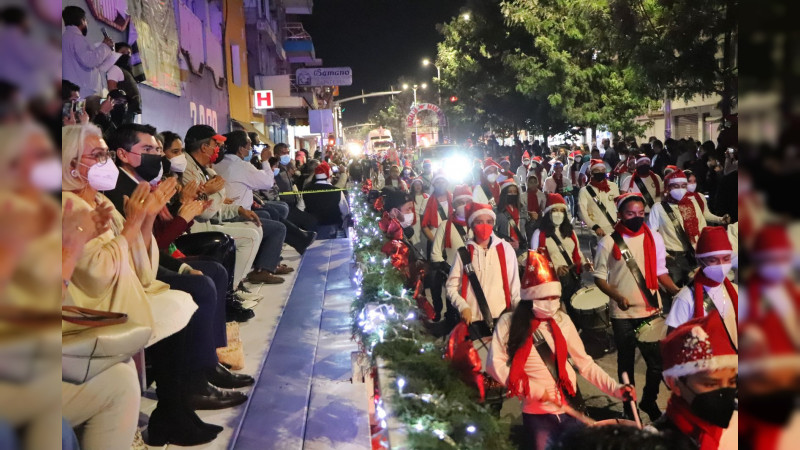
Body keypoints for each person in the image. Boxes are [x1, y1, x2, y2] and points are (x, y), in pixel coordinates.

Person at [61, 124, 225, 445]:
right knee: (187, 297)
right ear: (70, 166)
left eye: (107, 154)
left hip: (122, 293)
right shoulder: (68, 206)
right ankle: (178, 404)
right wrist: (136, 223)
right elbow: (98, 274)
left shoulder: (100, 204)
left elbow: (143, 268)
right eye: (98, 156)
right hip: (94, 308)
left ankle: (180, 401)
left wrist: (145, 218)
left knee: (184, 300)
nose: (106, 163)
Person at [487, 251, 634, 450]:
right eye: (546, 297)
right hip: (538, 416)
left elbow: (585, 364)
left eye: (555, 297)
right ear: (531, 297)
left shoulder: (562, 321)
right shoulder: (509, 322)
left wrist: (615, 389)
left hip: (572, 407)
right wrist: (528, 388)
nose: (552, 303)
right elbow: (494, 364)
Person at [593, 193, 680, 421]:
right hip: (622, 314)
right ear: (620, 214)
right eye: (631, 214)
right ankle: (628, 407)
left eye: (641, 214)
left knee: (656, 363)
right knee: (626, 362)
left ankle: (648, 400)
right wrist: (617, 296)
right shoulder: (608, 242)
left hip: (650, 310)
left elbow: (661, 271)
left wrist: (675, 291)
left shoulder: (654, 238)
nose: (637, 218)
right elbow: (599, 278)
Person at [183, 125, 289, 285]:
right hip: (201, 228)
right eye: (215, 145)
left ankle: (239, 282)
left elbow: (214, 202)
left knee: (264, 219)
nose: (218, 149)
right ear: (204, 147)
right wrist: (215, 192)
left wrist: (235, 207)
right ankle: (232, 288)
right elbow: (205, 211)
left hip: (218, 217)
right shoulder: (189, 169)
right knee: (255, 234)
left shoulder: (207, 169)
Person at [214, 130, 315, 253]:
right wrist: (265, 161)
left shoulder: (219, 163)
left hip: (237, 209)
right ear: (241, 149)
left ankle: (298, 241)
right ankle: (266, 265)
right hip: (236, 213)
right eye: (249, 145)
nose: (251, 148)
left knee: (272, 212)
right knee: (277, 226)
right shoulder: (241, 166)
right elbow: (267, 183)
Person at [651, 313, 738, 450]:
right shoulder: (656, 442)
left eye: (732, 382)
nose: (725, 392)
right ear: (675, 384)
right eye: (711, 384)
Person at [446, 202, 521, 327]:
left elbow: (515, 288)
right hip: (473, 322)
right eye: (479, 222)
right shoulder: (463, 253)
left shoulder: (506, 249)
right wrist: (462, 306)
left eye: (489, 221)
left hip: (502, 320)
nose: (485, 226)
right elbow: (451, 287)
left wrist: (519, 313)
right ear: (472, 225)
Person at [666, 227, 737, 347]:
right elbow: (672, 344)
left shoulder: (735, 290)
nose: (721, 266)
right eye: (713, 260)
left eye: (726, 259)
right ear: (700, 261)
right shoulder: (685, 298)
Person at [648, 169, 716, 288]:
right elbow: (651, 235)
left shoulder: (693, 203)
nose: (680, 189)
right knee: (675, 293)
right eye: (676, 186)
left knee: (695, 293)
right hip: (672, 259)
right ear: (668, 187)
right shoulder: (658, 208)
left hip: (694, 256)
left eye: (684, 186)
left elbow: (703, 228)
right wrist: (664, 255)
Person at [531, 194, 591, 312]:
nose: (558, 214)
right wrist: (555, 269)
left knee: (574, 313)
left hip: (572, 279)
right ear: (548, 212)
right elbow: (535, 262)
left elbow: (577, 252)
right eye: (554, 210)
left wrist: (584, 264)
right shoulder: (539, 234)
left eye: (561, 211)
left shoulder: (571, 232)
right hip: (551, 283)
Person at [430, 185, 473, 322]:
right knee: (453, 311)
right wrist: (448, 269)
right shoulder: (445, 225)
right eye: (460, 202)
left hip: (474, 276)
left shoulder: (477, 223)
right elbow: (435, 253)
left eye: (467, 202)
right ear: (454, 204)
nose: (464, 205)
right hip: (453, 276)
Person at [61, 6, 114, 98]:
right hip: (83, 93)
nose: (87, 24)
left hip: (73, 91)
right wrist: (105, 46)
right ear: (82, 20)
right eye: (86, 21)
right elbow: (90, 61)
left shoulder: (65, 38)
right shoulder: (76, 38)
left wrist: (102, 47)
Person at [302, 161, 350, 237]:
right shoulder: (337, 191)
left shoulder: (306, 190)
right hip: (332, 227)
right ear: (329, 177)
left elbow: (300, 208)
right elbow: (345, 211)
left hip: (311, 228)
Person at [420, 173, 451, 248]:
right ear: (433, 184)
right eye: (437, 182)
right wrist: (435, 242)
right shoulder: (426, 201)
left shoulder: (454, 199)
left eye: (443, 182)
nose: (440, 184)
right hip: (434, 240)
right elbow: (424, 226)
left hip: (452, 240)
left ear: (447, 183)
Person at [495, 179, 526, 253]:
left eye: (515, 192)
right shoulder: (497, 211)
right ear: (504, 193)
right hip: (504, 249)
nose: (512, 194)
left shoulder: (523, 209)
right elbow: (493, 232)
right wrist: (504, 243)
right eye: (509, 192)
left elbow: (527, 230)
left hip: (521, 249)